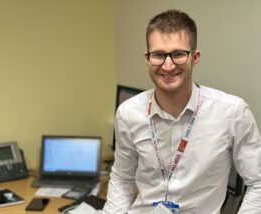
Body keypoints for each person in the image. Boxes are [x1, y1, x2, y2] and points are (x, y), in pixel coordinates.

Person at [103, 9, 261, 214]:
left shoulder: (233, 113)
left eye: (178, 54)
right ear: (147, 58)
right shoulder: (128, 114)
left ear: (195, 57)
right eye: (158, 55)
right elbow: (122, 180)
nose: (168, 66)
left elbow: (258, 182)